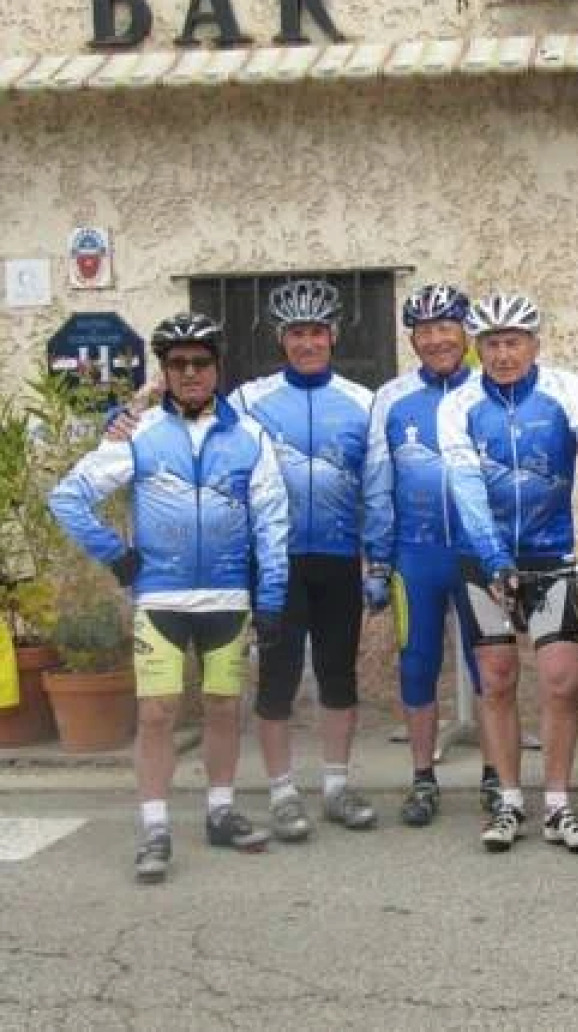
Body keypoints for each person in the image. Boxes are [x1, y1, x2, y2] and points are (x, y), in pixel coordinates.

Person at [50, 313, 288, 882]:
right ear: (163, 370)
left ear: (217, 369)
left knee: (224, 707)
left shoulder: (249, 435)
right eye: (177, 363)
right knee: (156, 713)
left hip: (229, 597)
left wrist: (273, 594)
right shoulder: (139, 433)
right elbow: (66, 497)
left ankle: (221, 810)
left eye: (200, 362)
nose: (189, 373)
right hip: (160, 597)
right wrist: (115, 554)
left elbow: (273, 519)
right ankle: (154, 827)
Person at [438, 292, 578, 854]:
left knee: (561, 679)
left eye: (514, 342)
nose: (503, 353)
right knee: (499, 678)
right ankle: (509, 800)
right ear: (476, 348)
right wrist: (493, 560)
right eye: (491, 343)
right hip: (481, 559)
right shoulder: (458, 403)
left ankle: (558, 803)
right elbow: (465, 487)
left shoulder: (566, 390)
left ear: (535, 344)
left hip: (550, 553)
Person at [222, 280, 386, 839]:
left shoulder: (364, 402)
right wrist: (129, 415)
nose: (307, 342)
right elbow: (191, 426)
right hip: (276, 564)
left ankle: (337, 787)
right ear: (281, 339)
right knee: (279, 679)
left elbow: (376, 486)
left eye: (317, 332)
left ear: (333, 336)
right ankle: (283, 793)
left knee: (339, 677)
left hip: (340, 560)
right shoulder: (248, 400)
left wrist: (378, 561)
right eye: (297, 333)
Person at [368, 284, 498, 828]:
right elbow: (377, 483)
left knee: (492, 669)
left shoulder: (494, 392)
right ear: (413, 340)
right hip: (414, 557)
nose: (436, 339)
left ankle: (499, 777)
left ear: (465, 333)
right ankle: (423, 779)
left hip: (480, 557)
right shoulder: (392, 399)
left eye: (446, 327)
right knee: (417, 667)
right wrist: (377, 561)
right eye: (424, 331)